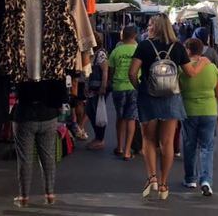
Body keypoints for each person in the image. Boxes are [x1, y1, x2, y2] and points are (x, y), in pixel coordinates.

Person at [129, 14, 210, 200]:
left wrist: (140, 87)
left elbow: (132, 73)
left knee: (148, 140)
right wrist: (203, 62)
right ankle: (164, 183)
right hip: (172, 98)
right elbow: (190, 73)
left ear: (156, 27)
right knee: (167, 143)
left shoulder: (144, 46)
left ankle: (152, 178)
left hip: (148, 97)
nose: (148, 28)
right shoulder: (179, 47)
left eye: (150, 25)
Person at [179, 38, 218, 196]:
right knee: (207, 147)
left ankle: (190, 178)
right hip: (209, 111)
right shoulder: (212, 67)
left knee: (189, 145)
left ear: (187, 50)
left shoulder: (183, 69)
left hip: (188, 110)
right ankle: (206, 180)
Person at [12, 81, 64, 207]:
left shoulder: (20, 63)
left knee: (25, 159)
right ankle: (50, 195)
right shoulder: (52, 62)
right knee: (48, 156)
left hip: (25, 115)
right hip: (49, 114)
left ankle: (24, 197)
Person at [109, 26, 139, 160]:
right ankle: (127, 151)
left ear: (122, 36)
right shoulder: (139, 50)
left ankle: (119, 147)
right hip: (134, 87)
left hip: (119, 87)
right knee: (131, 118)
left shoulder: (116, 51)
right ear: (135, 36)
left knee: (120, 117)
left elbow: (111, 70)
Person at [86, 32, 109, 150]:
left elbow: (105, 70)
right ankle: (98, 137)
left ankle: (100, 139)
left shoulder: (100, 53)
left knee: (97, 113)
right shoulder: (93, 53)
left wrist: (103, 87)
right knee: (91, 111)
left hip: (98, 88)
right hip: (92, 88)